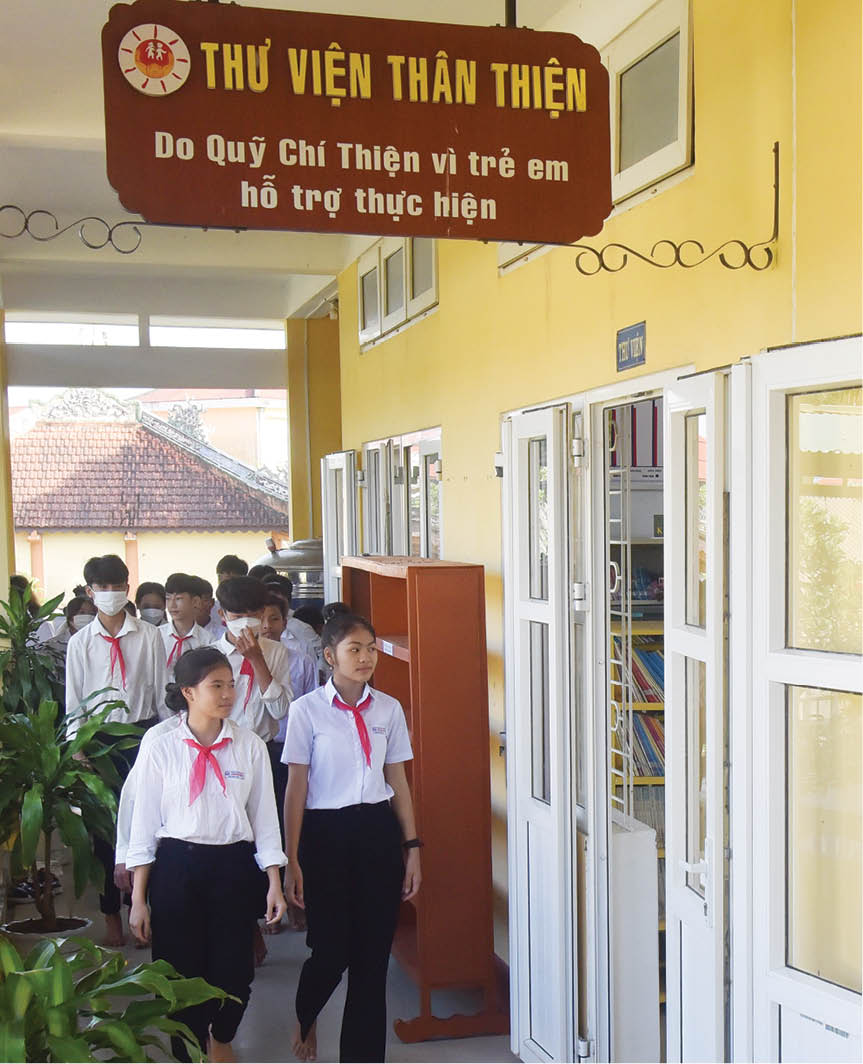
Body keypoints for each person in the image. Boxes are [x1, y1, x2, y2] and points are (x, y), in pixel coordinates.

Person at [127, 646, 288, 1064]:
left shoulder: (248, 745)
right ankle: (190, 1052)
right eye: (216, 686)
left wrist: (274, 881)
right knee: (179, 972)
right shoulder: (161, 746)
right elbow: (143, 825)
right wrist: (139, 899)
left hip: (233, 867)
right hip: (176, 868)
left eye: (231, 685)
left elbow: (265, 819)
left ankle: (223, 1034)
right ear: (189, 692)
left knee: (236, 971)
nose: (228, 694)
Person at [283, 611, 421, 1063]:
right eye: (354, 649)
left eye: (371, 649)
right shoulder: (306, 711)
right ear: (330, 656)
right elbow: (296, 788)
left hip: (377, 832)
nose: (366, 658)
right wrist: (291, 859)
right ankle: (306, 1015)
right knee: (330, 951)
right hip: (325, 836)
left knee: (372, 960)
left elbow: (397, 780)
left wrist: (412, 848)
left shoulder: (388, 709)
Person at [65, 554, 169, 946]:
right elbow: (74, 700)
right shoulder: (80, 642)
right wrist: (78, 749)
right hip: (98, 741)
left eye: (116, 586)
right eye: (102, 587)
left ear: (127, 587)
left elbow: (161, 691)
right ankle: (110, 912)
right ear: (90, 592)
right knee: (103, 830)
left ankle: (140, 909)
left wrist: (165, 738)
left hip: (142, 735)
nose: (110, 593)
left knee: (146, 824)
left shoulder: (150, 636)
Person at [259, 594, 318, 936]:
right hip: (262, 749)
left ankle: (296, 899)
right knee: (261, 827)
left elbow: (311, 707)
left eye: (275, 619)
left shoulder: (301, 661)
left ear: (286, 622)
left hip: (292, 753)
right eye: (262, 618)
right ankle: (266, 906)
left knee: (291, 826)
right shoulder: (237, 659)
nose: (268, 626)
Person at [160, 573, 213, 668]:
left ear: (195, 602)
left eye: (178, 599)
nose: (172, 605)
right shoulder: (157, 635)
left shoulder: (208, 640)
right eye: (168, 599)